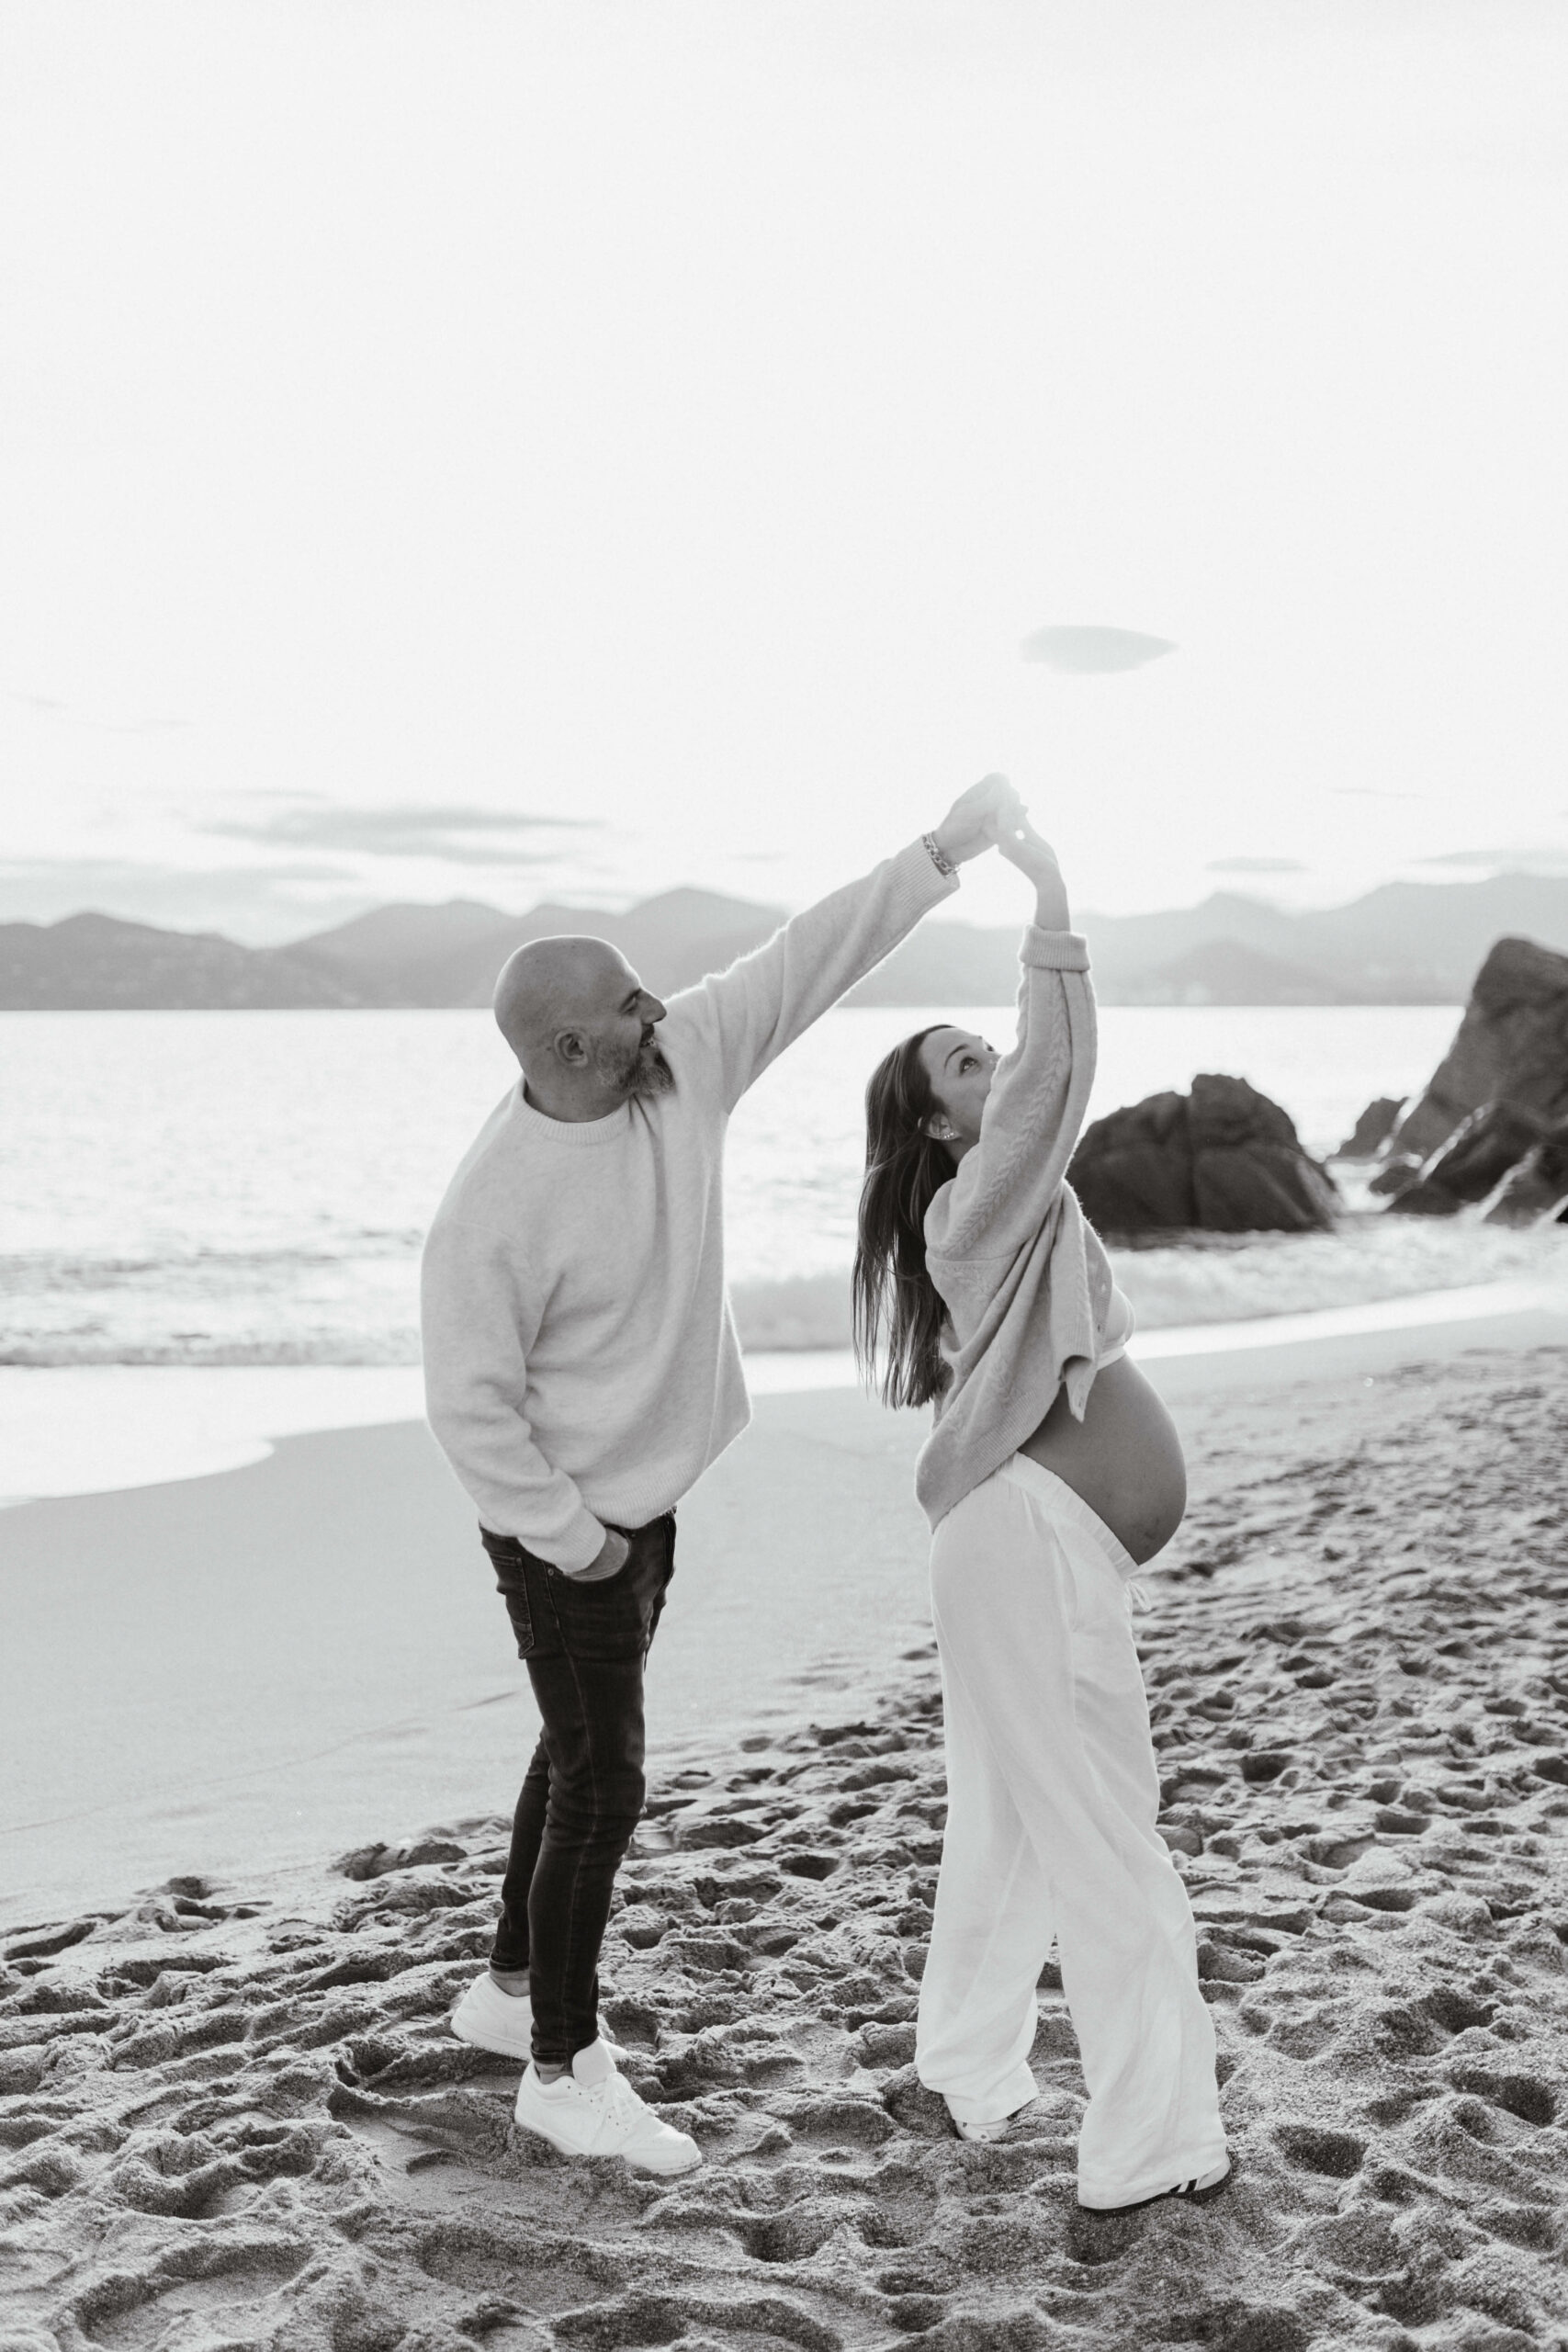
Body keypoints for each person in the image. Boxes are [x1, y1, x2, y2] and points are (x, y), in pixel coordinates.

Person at [420, 773, 1021, 2177]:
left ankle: (508, 1990)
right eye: (630, 1003)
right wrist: (579, 1545)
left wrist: (942, 851)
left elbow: (808, 956)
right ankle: (562, 2072)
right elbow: (471, 1413)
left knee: (572, 1753)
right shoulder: (491, 1211)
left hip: (646, 1508)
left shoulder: (679, 1067)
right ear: (571, 1044)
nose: (660, 1008)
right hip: (566, 1531)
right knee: (603, 1787)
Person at [852, 805, 1230, 2215]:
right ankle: (1152, 2143)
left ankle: (965, 2064)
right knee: (1101, 1831)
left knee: (1014, 1826)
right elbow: (1056, 1070)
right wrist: (1052, 894)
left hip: (1019, 1546)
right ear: (939, 1123)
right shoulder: (976, 1200)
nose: (996, 1066)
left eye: (986, 1049)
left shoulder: (990, 1206)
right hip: (1020, 1544)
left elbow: (1037, 1083)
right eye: (967, 1065)